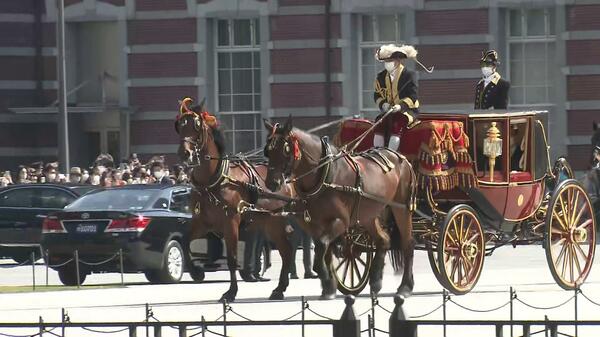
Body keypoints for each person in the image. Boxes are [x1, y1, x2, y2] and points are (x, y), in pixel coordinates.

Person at [373, 44, 420, 151]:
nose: (387, 64)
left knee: (397, 124)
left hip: (407, 111)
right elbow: (377, 95)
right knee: (379, 123)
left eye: (390, 61)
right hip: (388, 111)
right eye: (385, 61)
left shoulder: (409, 75)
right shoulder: (381, 76)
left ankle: (390, 154)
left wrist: (400, 106)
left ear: (398, 61)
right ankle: (377, 153)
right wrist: (383, 104)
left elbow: (413, 96)